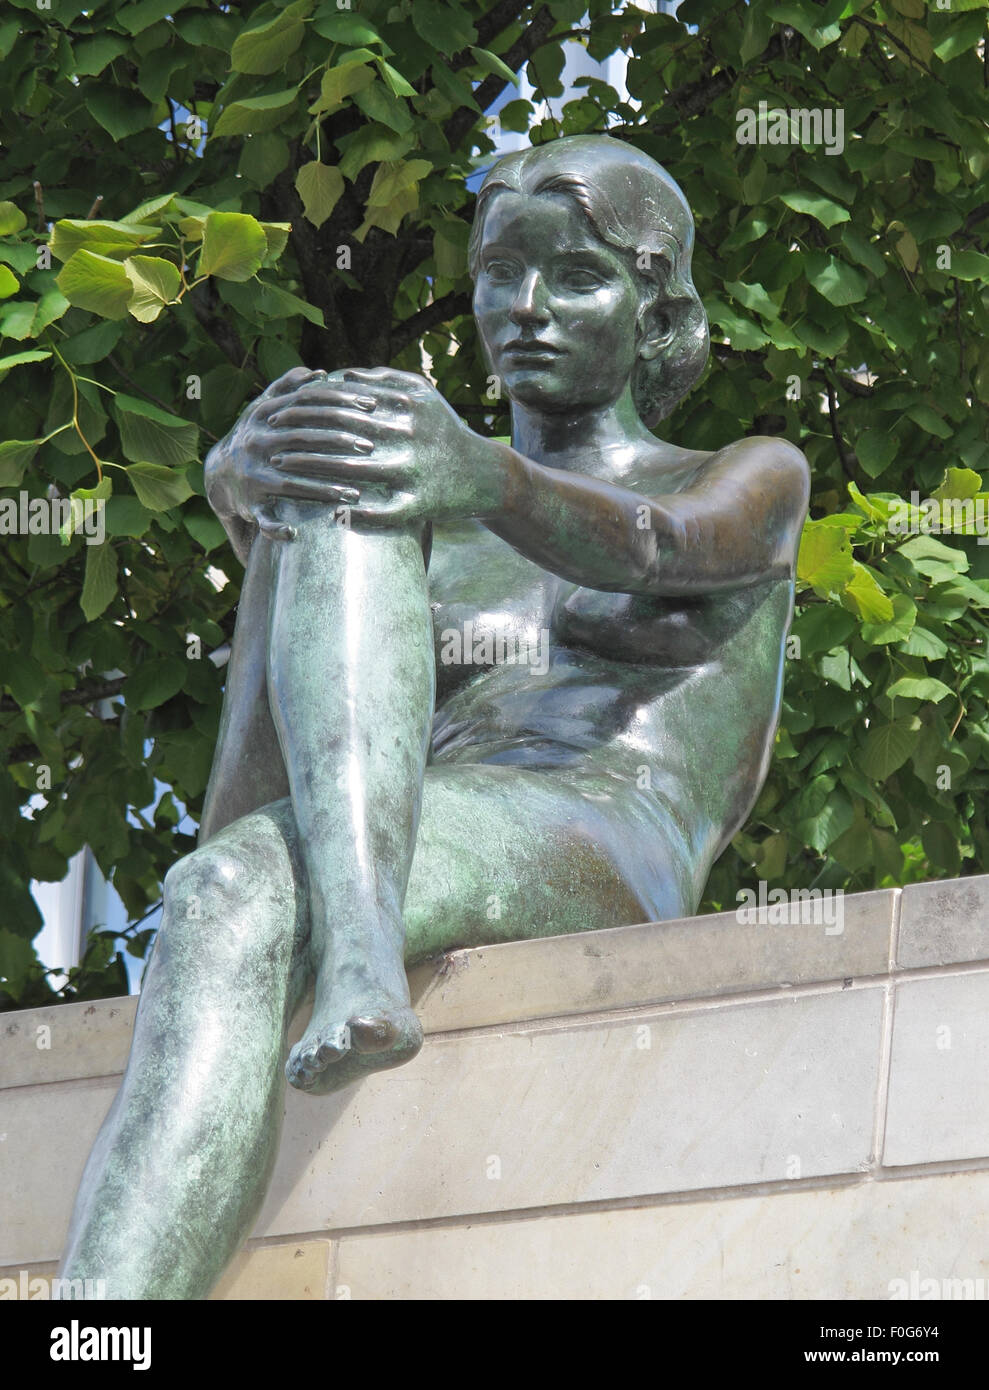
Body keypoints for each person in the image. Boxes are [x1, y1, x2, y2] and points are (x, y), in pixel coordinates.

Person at [60, 135, 809, 1298]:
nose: (526, 307)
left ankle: (360, 950)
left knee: (383, 466)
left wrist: (489, 478)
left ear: (655, 306)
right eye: (500, 272)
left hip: (601, 829)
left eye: (576, 276)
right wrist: (249, 501)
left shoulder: (743, 472)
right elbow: (252, 796)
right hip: (408, 823)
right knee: (216, 883)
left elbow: (666, 548)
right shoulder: (429, 500)